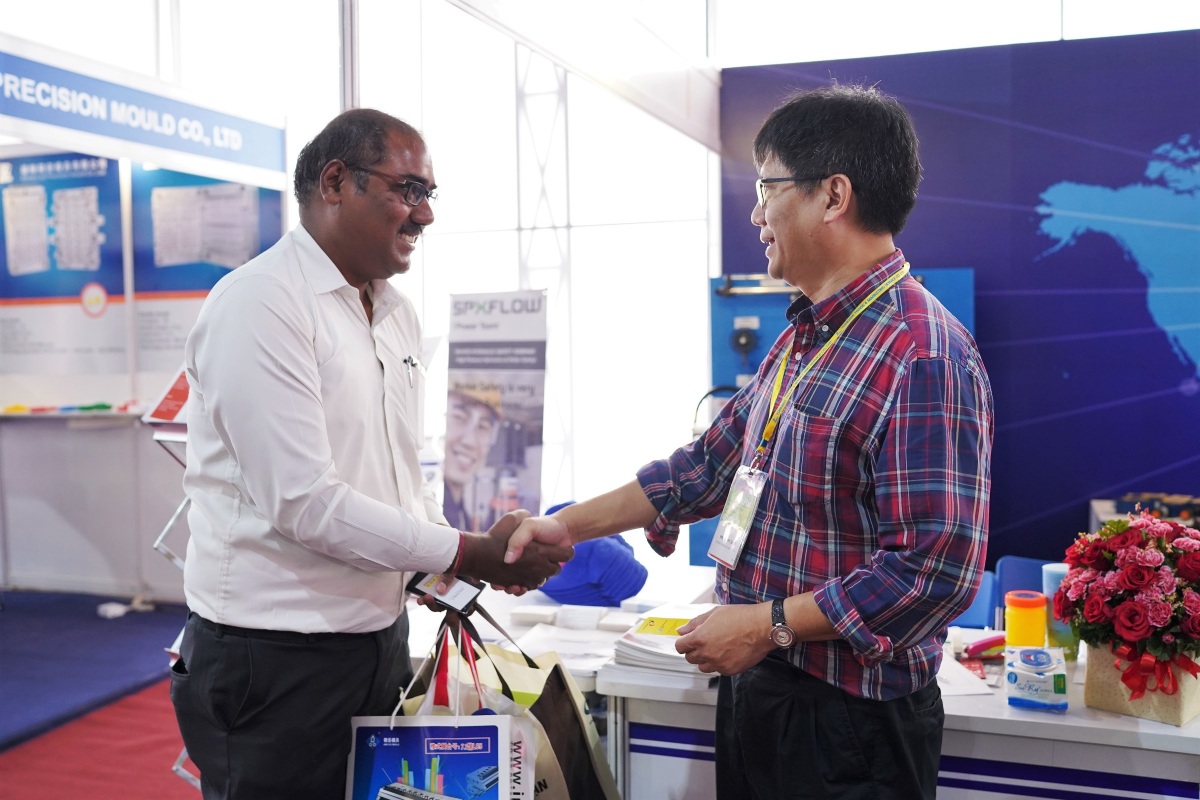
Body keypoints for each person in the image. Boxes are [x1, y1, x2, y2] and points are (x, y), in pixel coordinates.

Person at [503, 84, 994, 799]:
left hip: (849, 723)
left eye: (767, 188)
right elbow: (705, 468)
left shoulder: (923, 354)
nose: (757, 214)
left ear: (833, 196)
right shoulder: (805, 338)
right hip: (762, 688)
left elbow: (932, 571)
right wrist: (563, 528)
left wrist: (768, 626)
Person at [170, 108, 572, 800]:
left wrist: (445, 569)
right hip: (273, 659)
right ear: (335, 182)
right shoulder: (262, 304)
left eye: (430, 194)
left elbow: (397, 473)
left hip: (376, 641)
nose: (426, 214)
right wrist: (466, 551)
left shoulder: (394, 312)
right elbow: (307, 504)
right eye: (408, 190)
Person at [442, 381, 502, 532]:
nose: (470, 441)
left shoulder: (462, 514)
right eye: (459, 417)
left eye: (483, 427)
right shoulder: (426, 510)